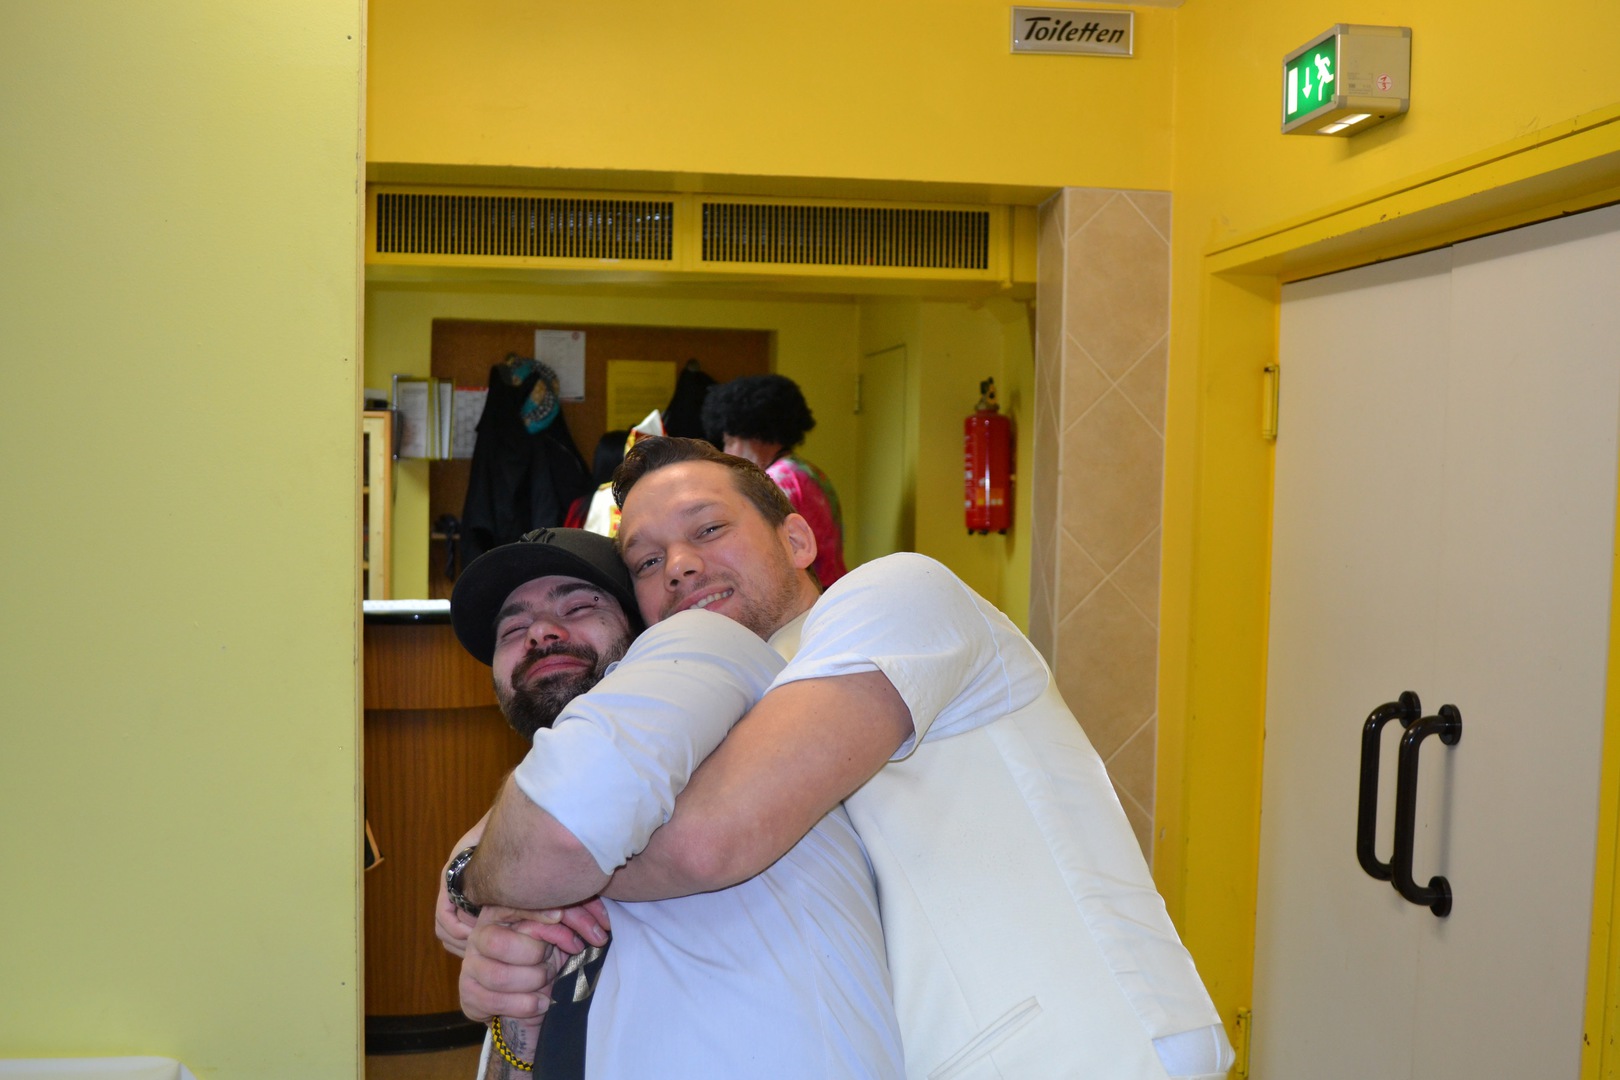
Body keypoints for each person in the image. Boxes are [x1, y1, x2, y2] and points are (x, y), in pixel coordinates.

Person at [466, 437, 1233, 1080]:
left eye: (708, 529)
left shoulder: (896, 595)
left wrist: (511, 880)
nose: (679, 566)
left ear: (798, 540)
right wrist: (499, 871)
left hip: (1079, 1049)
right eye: (644, 561)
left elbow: (706, 838)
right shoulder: (740, 698)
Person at [442, 526, 902, 1079]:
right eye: (513, 629)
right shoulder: (530, 836)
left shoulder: (718, 664)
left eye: (579, 605)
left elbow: (563, 833)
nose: (539, 631)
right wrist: (514, 1011)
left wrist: (467, 882)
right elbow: (517, 1064)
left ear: (646, 632)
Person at [701, 373, 848, 585]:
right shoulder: (808, 471)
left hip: (807, 591)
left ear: (757, 436)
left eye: (731, 441)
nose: (726, 451)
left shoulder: (776, 482)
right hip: (831, 586)